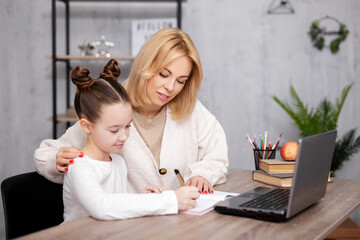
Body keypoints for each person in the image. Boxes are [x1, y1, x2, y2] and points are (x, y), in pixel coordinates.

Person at [34, 27, 228, 194]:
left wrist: (203, 174)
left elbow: (217, 155)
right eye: (163, 74)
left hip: (178, 221)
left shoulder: (188, 107)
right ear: (146, 66)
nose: (171, 87)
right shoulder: (113, 104)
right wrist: (58, 161)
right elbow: (44, 155)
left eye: (180, 81)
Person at [62, 60, 199, 223]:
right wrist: (170, 200)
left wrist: (140, 197)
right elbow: (102, 207)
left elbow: (117, 205)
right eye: (114, 130)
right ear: (86, 126)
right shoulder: (80, 166)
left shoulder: (118, 162)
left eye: (127, 126)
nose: (124, 136)